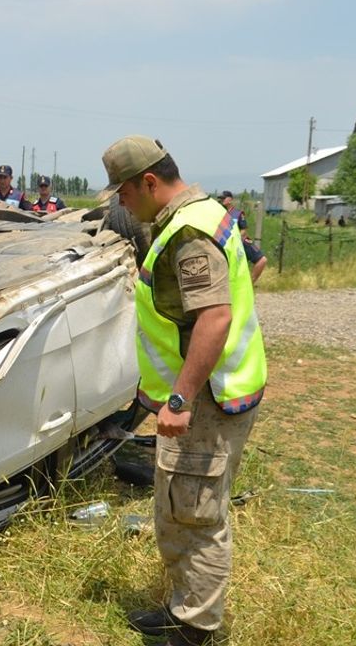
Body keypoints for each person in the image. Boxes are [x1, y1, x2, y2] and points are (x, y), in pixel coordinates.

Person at [99, 135, 266, 646]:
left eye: (124, 192)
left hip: (206, 400)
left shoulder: (190, 233)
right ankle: (183, 608)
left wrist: (180, 398)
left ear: (149, 181)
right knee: (181, 504)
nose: (122, 203)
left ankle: (196, 629)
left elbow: (214, 317)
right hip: (211, 392)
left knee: (197, 515)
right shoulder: (204, 214)